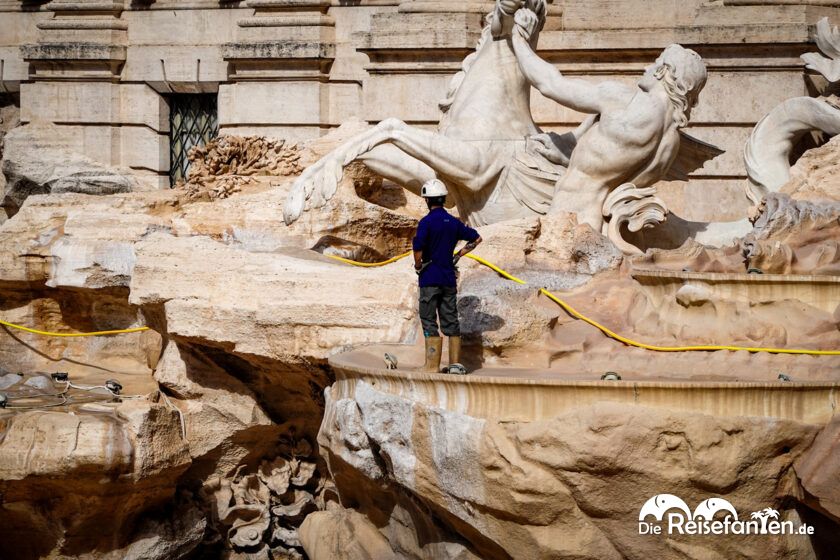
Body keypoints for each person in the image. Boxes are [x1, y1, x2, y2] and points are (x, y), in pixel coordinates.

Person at [510, 8, 708, 231]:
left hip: (566, 220)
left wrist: (518, 38)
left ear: (663, 72)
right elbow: (610, 169)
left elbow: (551, 84)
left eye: (655, 63)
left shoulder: (626, 100)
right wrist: (565, 155)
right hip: (596, 224)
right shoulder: (671, 143)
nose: (647, 67)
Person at [413, 178, 482, 374]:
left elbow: (418, 248)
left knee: (428, 319)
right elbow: (476, 238)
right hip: (448, 278)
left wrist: (418, 266)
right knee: (451, 320)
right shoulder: (453, 223)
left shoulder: (426, 222)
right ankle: (454, 365)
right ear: (443, 199)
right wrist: (458, 255)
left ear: (428, 200)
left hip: (429, 277)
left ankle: (431, 365)